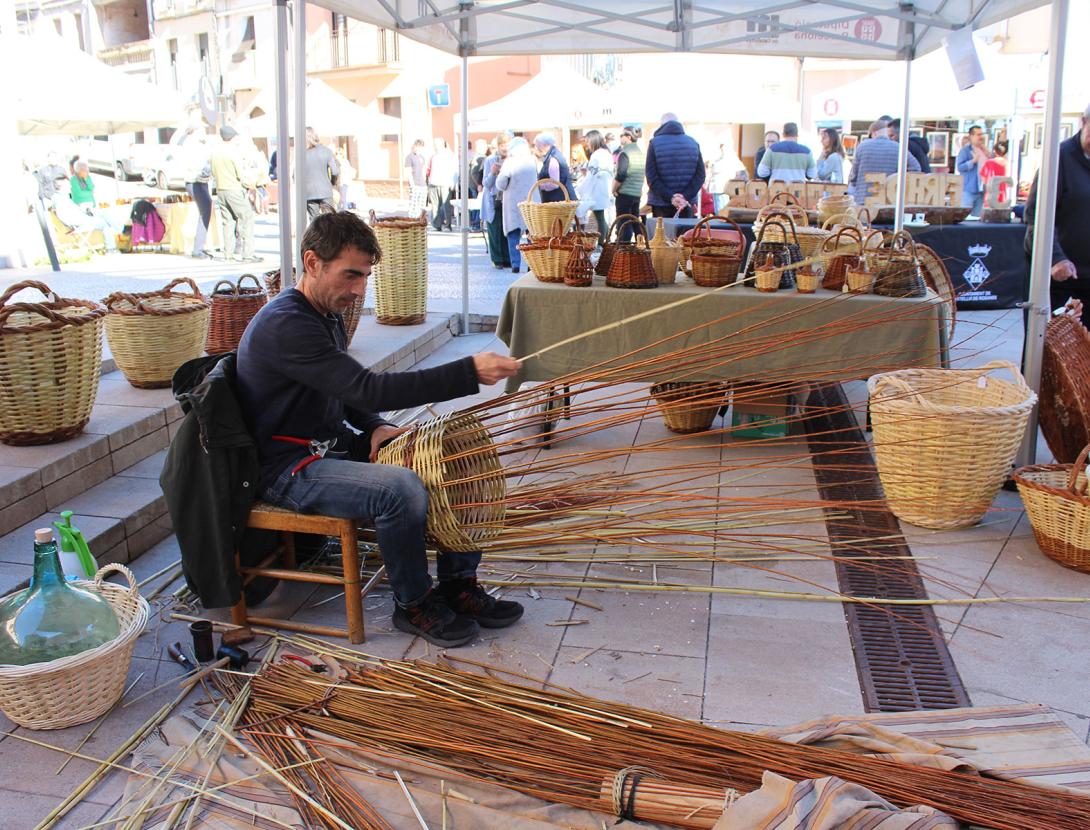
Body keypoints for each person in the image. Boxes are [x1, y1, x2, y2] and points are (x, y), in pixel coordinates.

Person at [235, 212, 524, 647]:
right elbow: (368, 388)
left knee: (454, 460)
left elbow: (346, 391)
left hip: (330, 446)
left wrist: (373, 426)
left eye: (366, 277)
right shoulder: (287, 324)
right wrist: (467, 371)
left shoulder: (324, 312)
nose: (358, 290)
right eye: (350, 275)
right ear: (312, 263)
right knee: (399, 489)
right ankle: (413, 604)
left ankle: (457, 585)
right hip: (287, 467)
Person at [1023, 104, 1090, 329]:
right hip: (1058, 278)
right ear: (1084, 122)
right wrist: (1055, 258)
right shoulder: (1059, 158)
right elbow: (1035, 216)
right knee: (1049, 353)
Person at [210, 125, 259, 262]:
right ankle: (248, 254)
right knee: (247, 218)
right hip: (234, 189)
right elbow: (241, 174)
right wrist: (250, 183)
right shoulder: (233, 152)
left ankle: (228, 253)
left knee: (228, 222)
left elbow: (212, 172)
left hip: (221, 190)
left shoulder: (215, 152)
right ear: (232, 138)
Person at [644, 112, 704, 219]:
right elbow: (700, 176)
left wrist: (671, 197)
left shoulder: (654, 143)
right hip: (686, 203)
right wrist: (684, 196)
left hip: (660, 203)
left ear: (661, 125)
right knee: (686, 235)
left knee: (661, 235)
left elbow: (651, 177)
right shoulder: (693, 143)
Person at [848, 119, 920, 202]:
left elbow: (853, 177)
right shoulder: (898, 147)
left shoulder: (862, 146)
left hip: (863, 200)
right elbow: (916, 168)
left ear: (873, 133)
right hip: (888, 201)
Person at [494, 137, 537, 273]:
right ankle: (532, 264)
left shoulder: (510, 162)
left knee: (514, 234)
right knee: (532, 234)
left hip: (514, 202)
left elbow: (501, 183)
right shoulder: (532, 161)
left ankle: (515, 265)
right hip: (531, 201)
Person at [50, 176, 121, 251]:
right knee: (106, 223)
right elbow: (68, 218)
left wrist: (83, 210)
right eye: (68, 184)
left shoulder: (59, 198)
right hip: (80, 223)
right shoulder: (61, 200)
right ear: (62, 186)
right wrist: (84, 215)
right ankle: (112, 247)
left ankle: (119, 232)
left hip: (81, 219)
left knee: (104, 212)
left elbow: (71, 213)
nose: (70, 186)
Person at [575, 130, 613, 247]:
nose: (587, 145)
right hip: (604, 188)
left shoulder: (597, 155)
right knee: (601, 217)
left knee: (600, 217)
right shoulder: (606, 153)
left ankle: (602, 244)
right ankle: (605, 242)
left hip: (597, 189)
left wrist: (581, 188)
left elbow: (591, 176)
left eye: (587, 142)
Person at [180, 128, 215, 259]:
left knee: (205, 213)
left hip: (199, 182)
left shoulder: (194, 145)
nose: (204, 133)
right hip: (195, 182)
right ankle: (197, 249)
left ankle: (200, 247)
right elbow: (199, 166)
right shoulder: (191, 146)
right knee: (205, 213)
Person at [481, 135, 512, 269]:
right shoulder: (490, 160)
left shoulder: (513, 160)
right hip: (493, 199)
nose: (504, 148)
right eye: (502, 145)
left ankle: (507, 258)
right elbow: (486, 184)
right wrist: (493, 173)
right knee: (494, 229)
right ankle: (497, 259)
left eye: (507, 145)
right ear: (498, 147)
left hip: (508, 199)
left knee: (507, 229)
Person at [612, 128, 645, 242]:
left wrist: (614, 188)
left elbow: (621, 174)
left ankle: (623, 250)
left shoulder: (625, 153)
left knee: (624, 223)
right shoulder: (640, 153)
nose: (620, 138)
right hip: (636, 193)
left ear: (628, 137)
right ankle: (640, 248)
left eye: (622, 135)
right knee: (635, 222)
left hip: (625, 193)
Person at [302, 128, 339, 220]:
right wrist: (332, 183)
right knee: (331, 222)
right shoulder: (326, 151)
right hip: (325, 191)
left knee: (314, 223)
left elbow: (295, 176)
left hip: (309, 193)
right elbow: (335, 171)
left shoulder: (301, 154)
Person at [956, 125, 989, 217]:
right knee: (964, 217)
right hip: (968, 189)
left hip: (982, 189)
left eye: (981, 134)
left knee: (977, 218)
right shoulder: (965, 151)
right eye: (978, 135)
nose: (980, 137)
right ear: (971, 136)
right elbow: (960, 167)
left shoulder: (984, 150)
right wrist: (973, 161)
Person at [708, 138, 746, 213]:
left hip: (728, 190)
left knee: (724, 211)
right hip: (717, 189)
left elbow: (742, 173)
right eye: (721, 147)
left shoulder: (733, 159)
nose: (722, 149)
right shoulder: (716, 160)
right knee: (719, 211)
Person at [532, 133, 572, 203]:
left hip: (557, 202)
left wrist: (538, 185)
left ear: (544, 144)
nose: (537, 148)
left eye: (537, 145)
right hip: (559, 201)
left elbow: (554, 184)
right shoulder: (554, 155)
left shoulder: (553, 159)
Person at [427, 138, 457, 231]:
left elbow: (455, 170)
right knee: (435, 206)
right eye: (434, 144)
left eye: (437, 144)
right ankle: (437, 225)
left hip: (445, 183)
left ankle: (448, 225)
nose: (435, 146)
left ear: (442, 144)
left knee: (446, 205)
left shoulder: (449, 155)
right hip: (433, 183)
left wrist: (454, 182)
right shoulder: (434, 156)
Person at [979, 139, 1009, 206]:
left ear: (995, 151)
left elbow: (983, 177)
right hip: (1004, 193)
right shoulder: (1009, 164)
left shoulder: (989, 162)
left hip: (991, 192)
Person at [405, 139, 428, 217]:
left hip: (423, 185)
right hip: (415, 184)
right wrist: (412, 185)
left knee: (421, 206)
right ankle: (412, 221)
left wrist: (425, 182)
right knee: (413, 206)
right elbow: (408, 171)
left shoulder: (422, 157)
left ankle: (420, 221)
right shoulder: (409, 157)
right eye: (420, 146)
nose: (421, 149)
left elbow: (424, 170)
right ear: (416, 146)